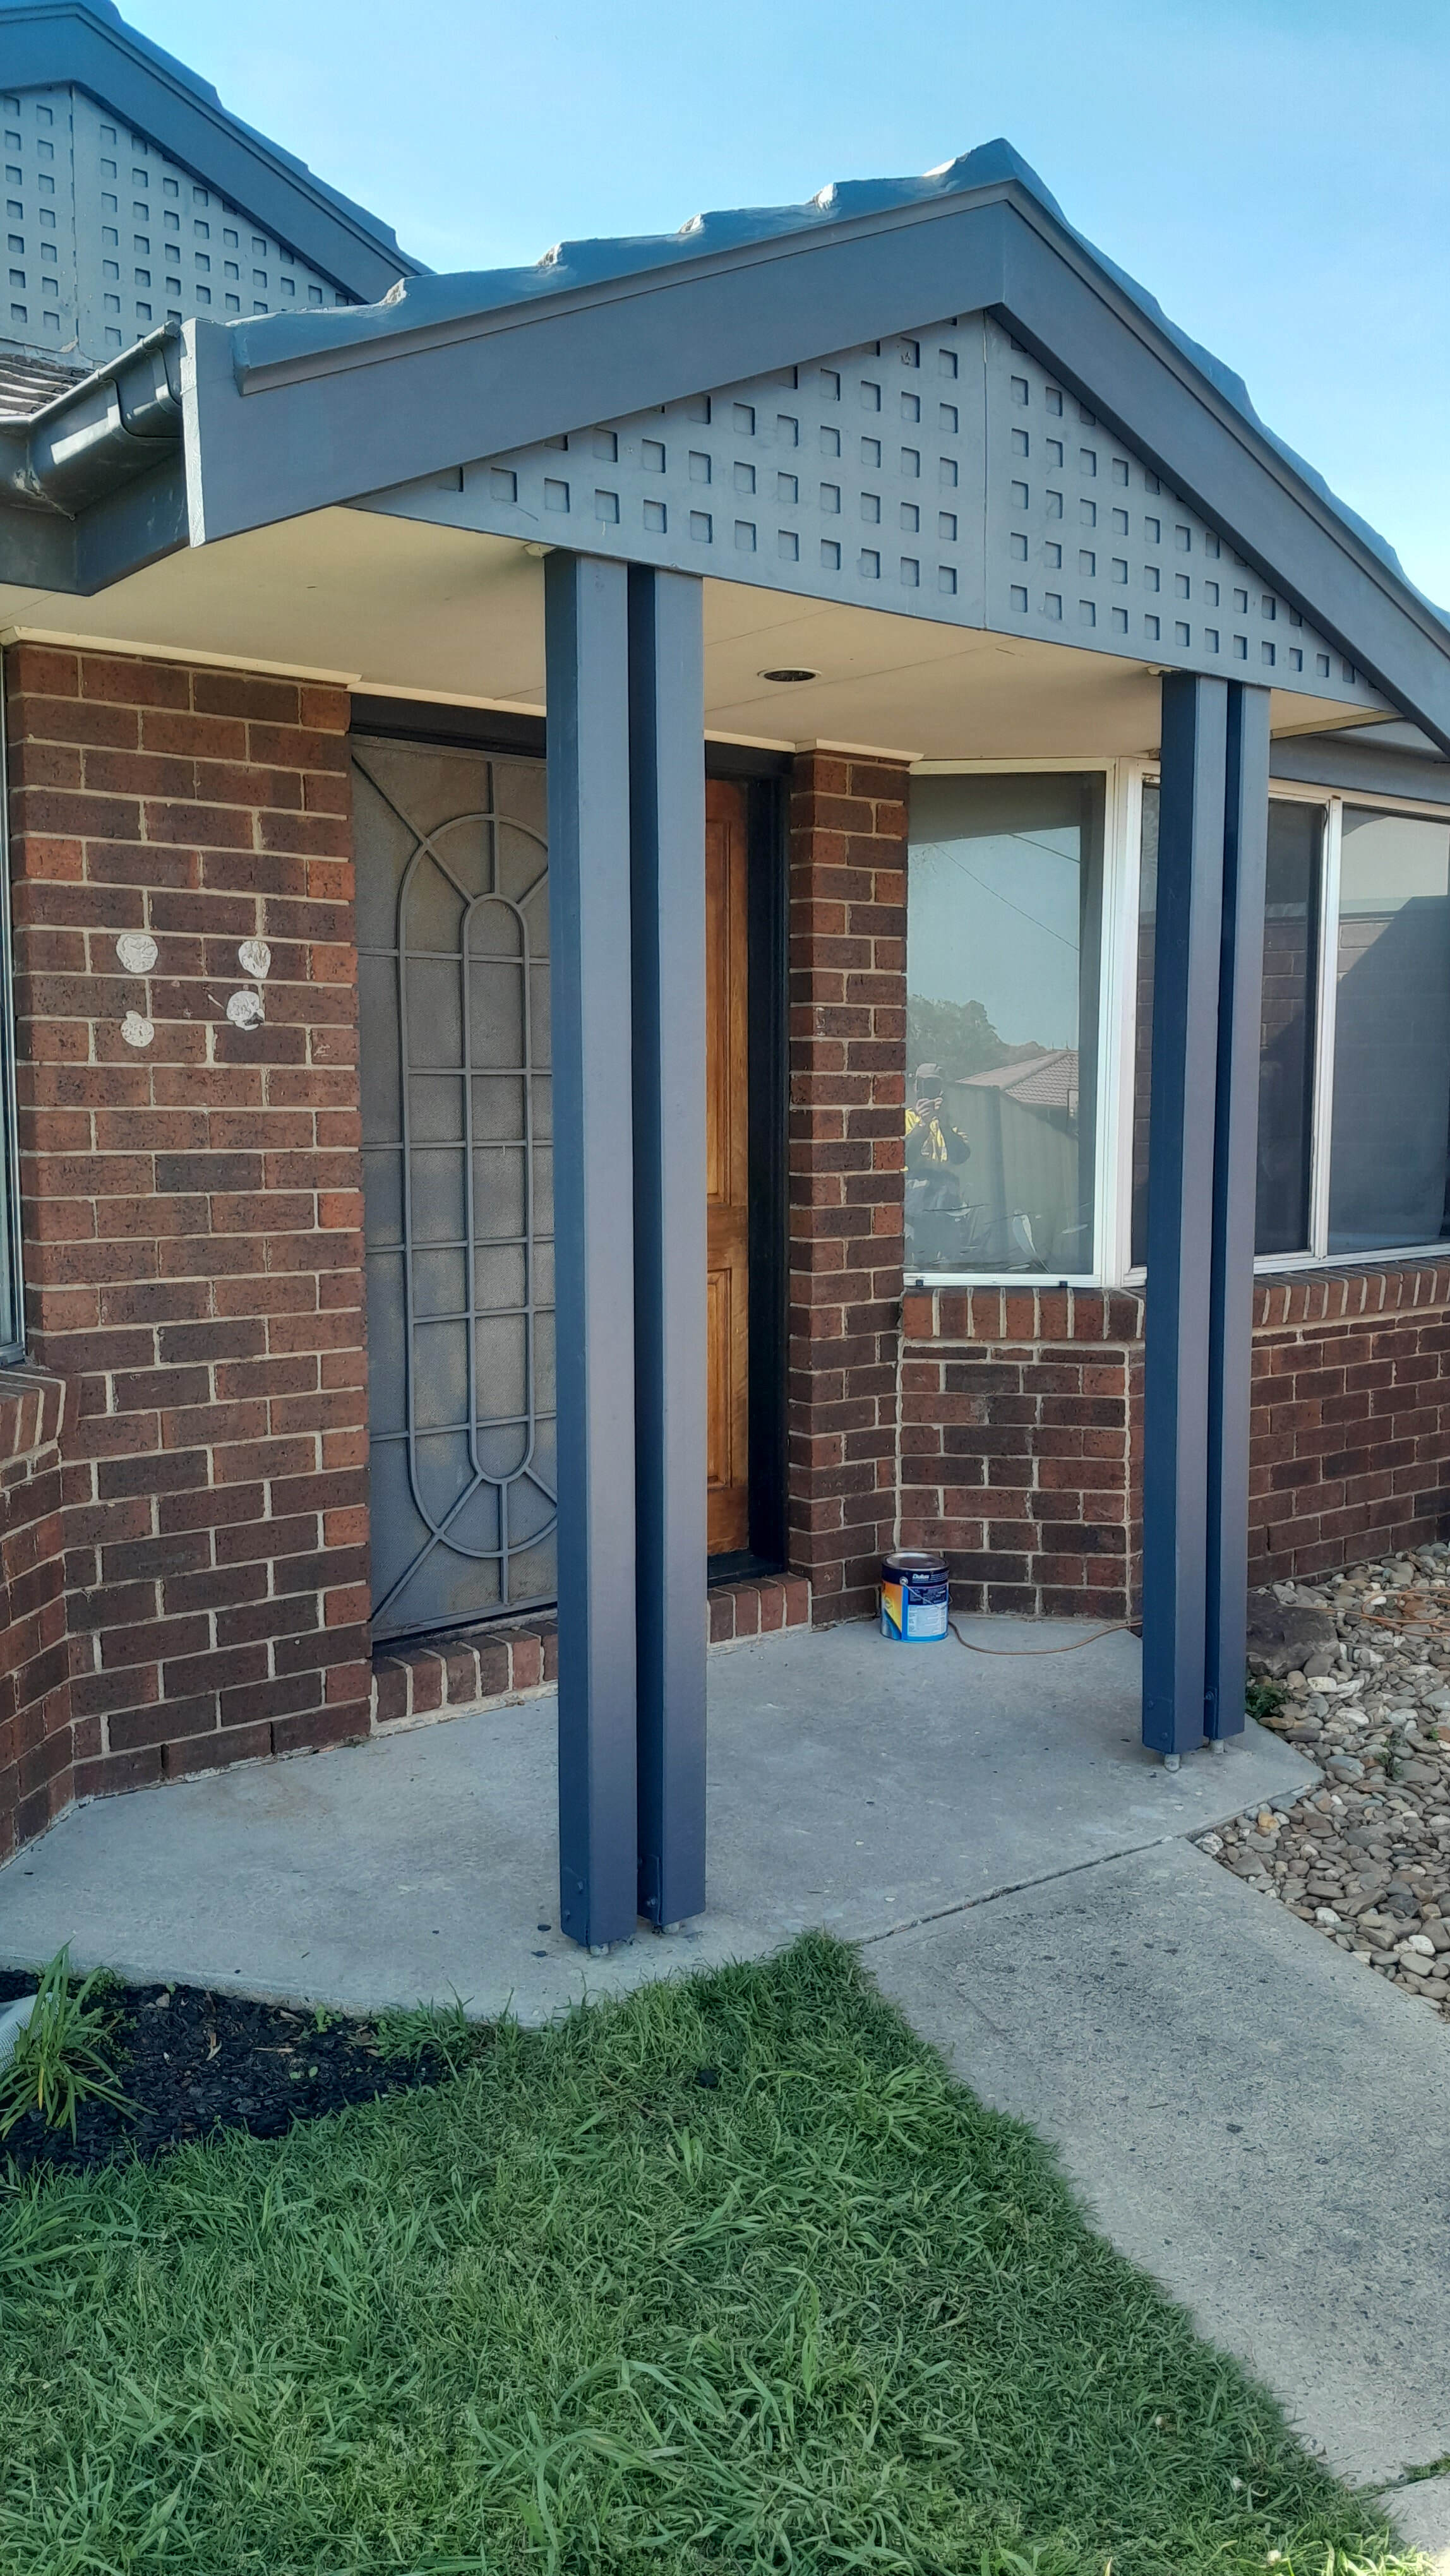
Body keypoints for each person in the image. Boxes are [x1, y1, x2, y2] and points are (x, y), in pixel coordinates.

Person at [904, 1065, 971, 1177]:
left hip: (946, 1187)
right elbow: (904, 1158)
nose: (930, 1089)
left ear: (942, 1089)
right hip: (915, 1186)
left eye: (935, 1085)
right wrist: (922, 1125)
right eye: (924, 1084)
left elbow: (960, 1157)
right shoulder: (904, 1119)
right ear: (916, 1087)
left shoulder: (951, 1121)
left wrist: (945, 1126)